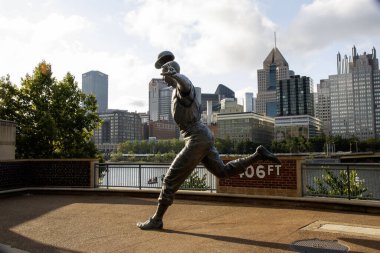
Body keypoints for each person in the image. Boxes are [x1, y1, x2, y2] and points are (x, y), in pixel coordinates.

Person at [137, 51, 280, 230]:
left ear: (171, 73)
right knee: (222, 171)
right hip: (202, 136)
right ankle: (257, 155)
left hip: (197, 138)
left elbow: (186, 84)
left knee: (170, 179)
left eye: (165, 75)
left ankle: (157, 219)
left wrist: (177, 76)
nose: (163, 79)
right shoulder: (176, 92)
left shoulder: (183, 90)